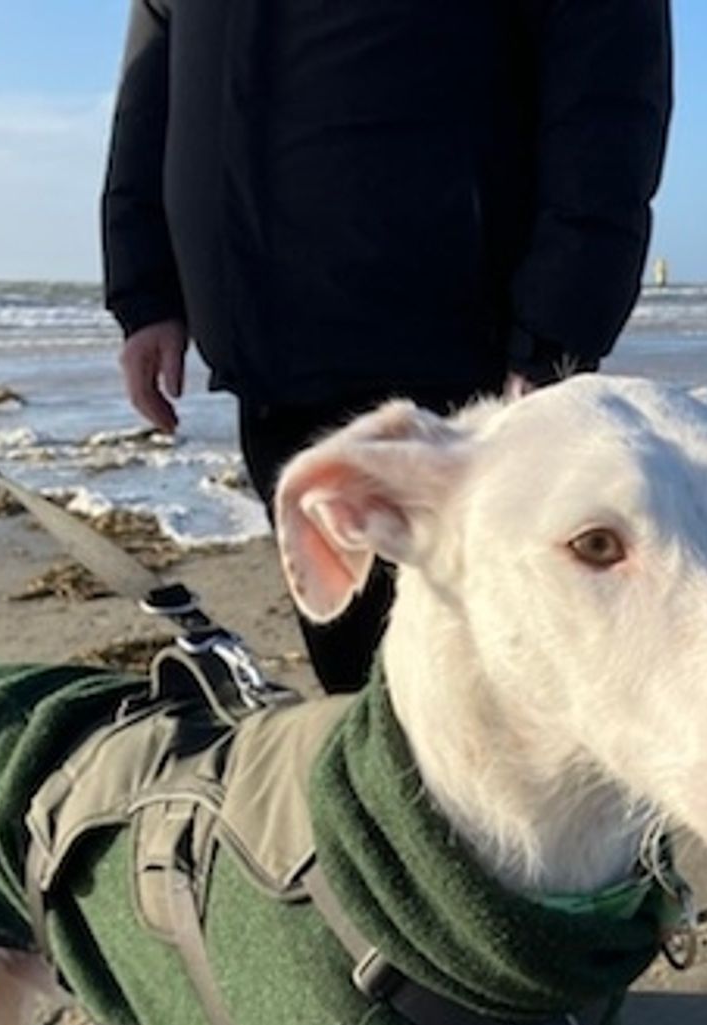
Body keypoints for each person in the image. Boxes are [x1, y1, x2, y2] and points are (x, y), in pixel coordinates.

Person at [102, 0, 672, 693]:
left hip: (462, 355)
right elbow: (151, 78)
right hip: (266, 357)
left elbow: (608, 84)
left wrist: (559, 326)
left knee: (485, 690)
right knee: (355, 682)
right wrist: (147, 290)